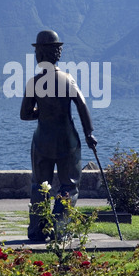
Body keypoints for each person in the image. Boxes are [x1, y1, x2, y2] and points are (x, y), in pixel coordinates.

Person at [20, 29, 97, 241]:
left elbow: (25, 114)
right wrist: (89, 133)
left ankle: (37, 229)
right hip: (67, 140)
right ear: (57, 53)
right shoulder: (67, 79)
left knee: (39, 185)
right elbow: (82, 107)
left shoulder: (34, 82)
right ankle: (60, 229)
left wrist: (43, 112)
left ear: (40, 55)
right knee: (69, 185)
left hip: (42, 140)